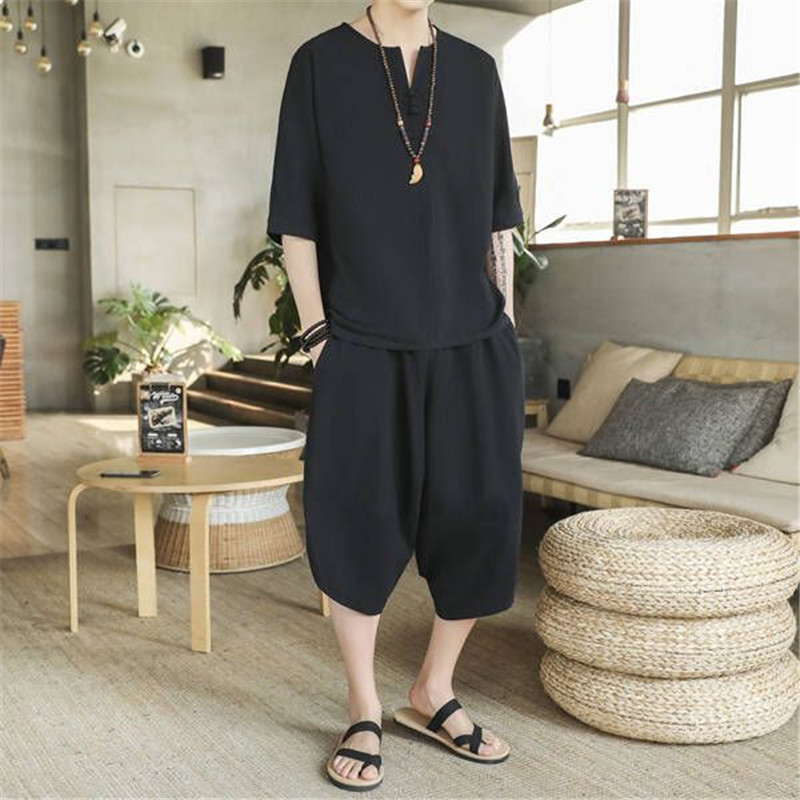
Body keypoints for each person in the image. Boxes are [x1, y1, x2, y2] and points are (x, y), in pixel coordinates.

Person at [266, 0, 525, 791]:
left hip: (473, 344)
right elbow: (297, 218)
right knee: (356, 516)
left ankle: (433, 688)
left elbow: (499, 219)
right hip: (361, 345)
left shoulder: (476, 72)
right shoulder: (319, 64)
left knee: (480, 517)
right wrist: (319, 337)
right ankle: (364, 704)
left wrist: (508, 327)